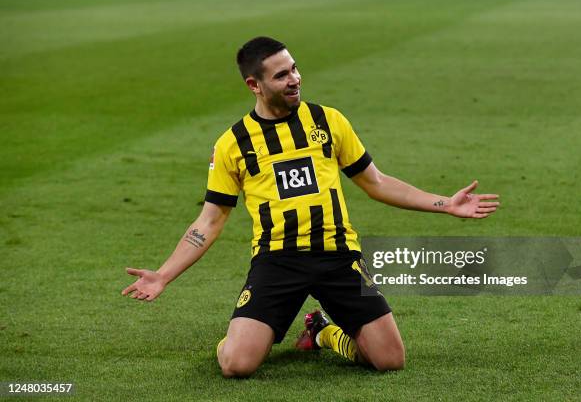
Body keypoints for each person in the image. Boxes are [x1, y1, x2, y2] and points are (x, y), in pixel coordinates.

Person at [121, 36, 500, 378]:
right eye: (282, 75)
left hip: (338, 255)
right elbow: (211, 218)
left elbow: (377, 182)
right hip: (277, 260)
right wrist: (164, 275)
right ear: (254, 85)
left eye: (295, 68)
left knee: (389, 360)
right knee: (237, 364)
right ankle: (238, 340)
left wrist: (444, 204)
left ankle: (322, 332)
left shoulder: (327, 121)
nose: (295, 79)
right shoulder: (233, 144)